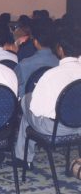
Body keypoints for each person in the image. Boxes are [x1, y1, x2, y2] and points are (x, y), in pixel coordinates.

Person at [14, 27, 81, 167]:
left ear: (60, 49)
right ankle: (23, 156)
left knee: (27, 102)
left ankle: (24, 158)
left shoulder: (52, 74)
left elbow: (36, 110)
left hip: (56, 128)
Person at [14, 19, 59, 99]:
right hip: (52, 102)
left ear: (35, 42)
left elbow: (14, 84)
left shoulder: (23, 64)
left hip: (27, 106)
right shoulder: (59, 62)